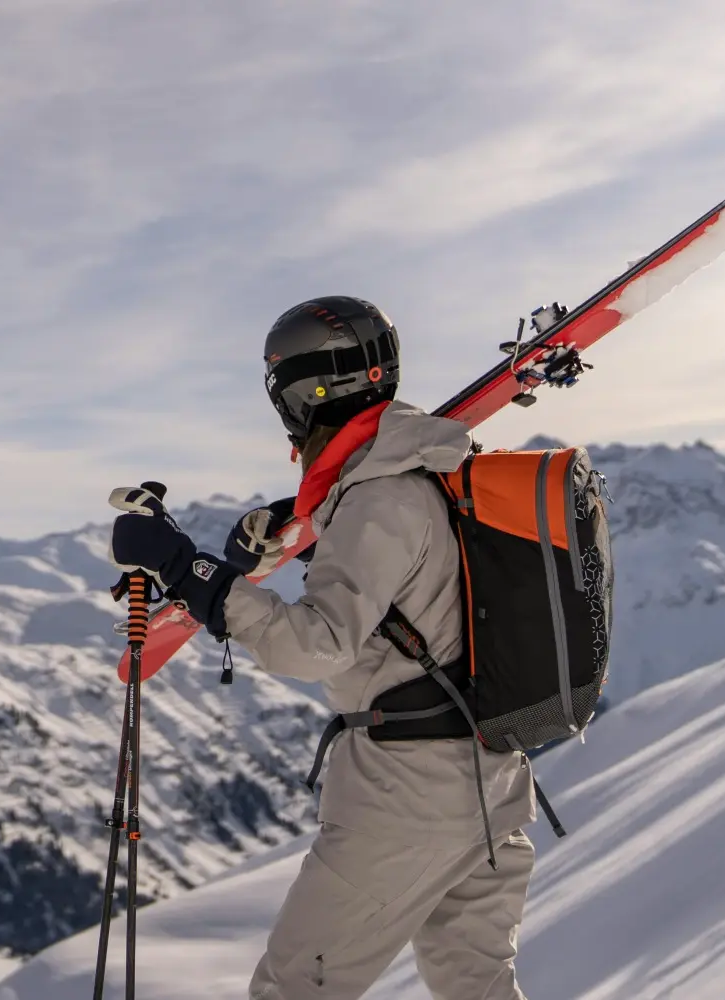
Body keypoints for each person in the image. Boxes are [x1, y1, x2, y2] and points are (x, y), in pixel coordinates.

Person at [107, 296, 536, 1000]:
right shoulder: (430, 470)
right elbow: (411, 594)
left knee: (292, 991)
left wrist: (188, 572)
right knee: (478, 989)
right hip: (490, 787)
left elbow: (320, 646)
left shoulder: (379, 500)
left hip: (405, 805)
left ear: (300, 396)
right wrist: (302, 522)